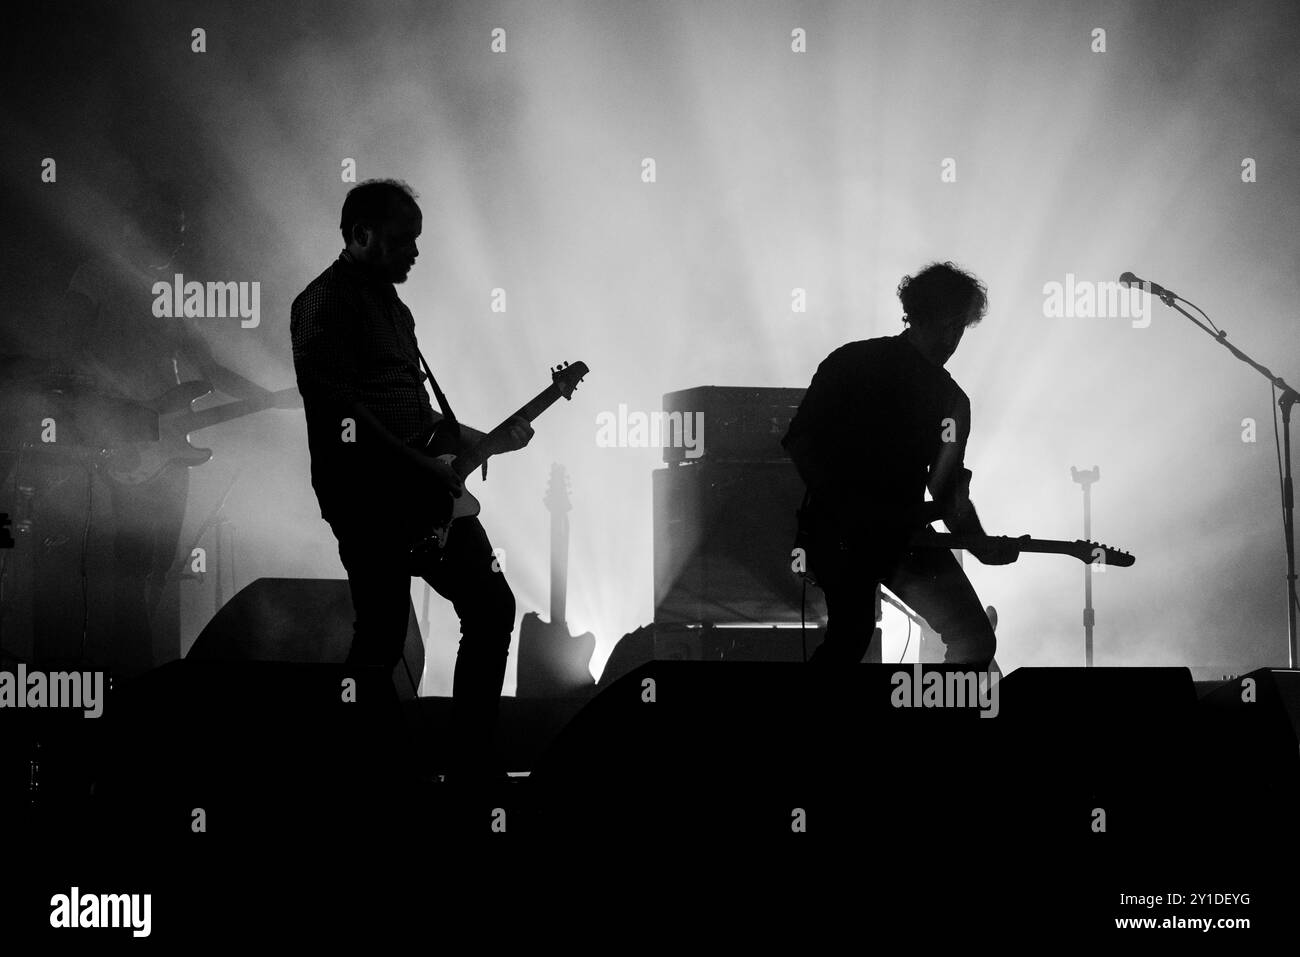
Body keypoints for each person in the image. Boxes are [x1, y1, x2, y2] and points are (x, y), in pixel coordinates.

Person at [290, 179, 532, 786]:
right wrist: (414, 461)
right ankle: (349, 771)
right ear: (359, 234)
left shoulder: (397, 311)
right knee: (382, 632)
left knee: (490, 605)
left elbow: (416, 410)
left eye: (417, 241)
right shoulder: (322, 303)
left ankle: (468, 763)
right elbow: (339, 410)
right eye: (403, 240)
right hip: (366, 494)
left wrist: (477, 436)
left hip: (421, 490)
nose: (414, 253)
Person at [35, 194, 272, 675]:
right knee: (129, 566)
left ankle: (139, 672)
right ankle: (131, 678)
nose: (175, 236)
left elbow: (208, 370)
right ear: (135, 226)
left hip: (169, 442)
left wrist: (272, 397)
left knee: (155, 566)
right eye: (166, 224)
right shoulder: (98, 274)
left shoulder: (175, 291)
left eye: (179, 229)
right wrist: (101, 409)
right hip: (119, 430)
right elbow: (67, 349)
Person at [783, 261, 1014, 669]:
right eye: (946, 323)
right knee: (850, 638)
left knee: (974, 640)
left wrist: (980, 543)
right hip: (842, 535)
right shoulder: (853, 364)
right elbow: (802, 441)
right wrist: (845, 509)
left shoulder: (950, 401)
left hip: (900, 537)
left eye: (959, 326)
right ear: (919, 315)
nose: (951, 337)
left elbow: (947, 491)